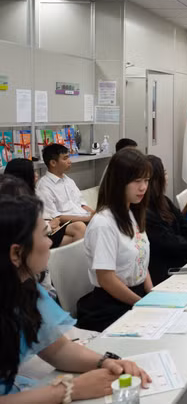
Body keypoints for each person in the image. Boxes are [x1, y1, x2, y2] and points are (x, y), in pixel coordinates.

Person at [0, 195, 151, 400]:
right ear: (16, 254)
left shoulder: (25, 290)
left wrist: (107, 362)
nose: (50, 242)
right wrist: (69, 390)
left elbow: (56, 349)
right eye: (45, 235)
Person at [76, 149, 153, 332]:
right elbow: (106, 279)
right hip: (112, 306)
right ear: (120, 182)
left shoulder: (131, 213)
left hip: (136, 295)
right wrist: (142, 304)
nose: (143, 187)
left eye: (146, 180)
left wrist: (152, 295)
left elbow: (140, 257)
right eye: (137, 181)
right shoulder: (104, 223)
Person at [145, 156, 187, 285]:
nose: (167, 177)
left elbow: (183, 221)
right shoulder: (145, 211)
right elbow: (166, 241)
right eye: (164, 173)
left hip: (182, 256)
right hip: (166, 269)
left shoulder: (163, 200)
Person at [3, 160, 86, 248]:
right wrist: (49, 226)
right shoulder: (14, 199)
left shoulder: (31, 191)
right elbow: (26, 228)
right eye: (33, 171)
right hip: (32, 238)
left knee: (79, 227)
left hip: (45, 227)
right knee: (76, 236)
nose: (36, 174)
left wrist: (51, 223)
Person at [35, 144, 94, 224]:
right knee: (80, 226)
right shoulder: (44, 186)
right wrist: (86, 219)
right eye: (65, 158)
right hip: (68, 224)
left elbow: (82, 204)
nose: (69, 161)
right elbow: (54, 216)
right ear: (53, 163)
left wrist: (94, 214)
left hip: (83, 217)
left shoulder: (69, 181)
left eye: (68, 157)